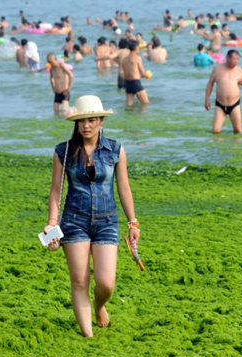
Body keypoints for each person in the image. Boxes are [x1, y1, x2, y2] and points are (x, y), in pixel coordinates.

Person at [44, 95, 139, 338]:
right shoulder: (62, 152)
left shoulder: (116, 150)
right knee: (79, 281)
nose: (87, 125)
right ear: (76, 123)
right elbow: (56, 191)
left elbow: (124, 189)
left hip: (107, 222)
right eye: (82, 121)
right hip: (73, 221)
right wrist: (52, 223)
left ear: (101, 121)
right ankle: (88, 337)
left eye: (92, 120)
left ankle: (99, 306)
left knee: (106, 283)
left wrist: (132, 222)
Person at [204, 49, 242, 134]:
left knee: (238, 131)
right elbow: (210, 84)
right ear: (227, 58)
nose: (236, 61)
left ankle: (236, 146)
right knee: (215, 131)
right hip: (220, 104)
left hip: (235, 104)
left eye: (237, 59)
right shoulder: (217, 69)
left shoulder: (239, 70)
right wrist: (207, 99)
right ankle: (220, 146)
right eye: (234, 59)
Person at [121, 40, 149, 106]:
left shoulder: (124, 59)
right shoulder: (137, 58)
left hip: (128, 84)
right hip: (136, 84)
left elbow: (126, 74)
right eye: (138, 47)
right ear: (136, 48)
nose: (139, 48)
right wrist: (147, 75)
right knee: (146, 104)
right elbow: (143, 73)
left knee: (129, 107)